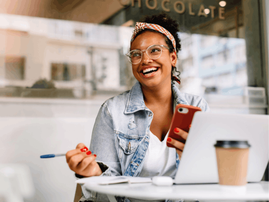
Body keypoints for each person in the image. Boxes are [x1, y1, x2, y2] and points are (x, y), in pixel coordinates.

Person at [66, 13, 209, 202]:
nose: (145, 60)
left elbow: (210, 182)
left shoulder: (196, 107)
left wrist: (192, 160)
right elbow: (104, 193)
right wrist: (93, 174)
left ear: (173, 57)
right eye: (136, 54)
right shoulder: (112, 111)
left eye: (155, 50)